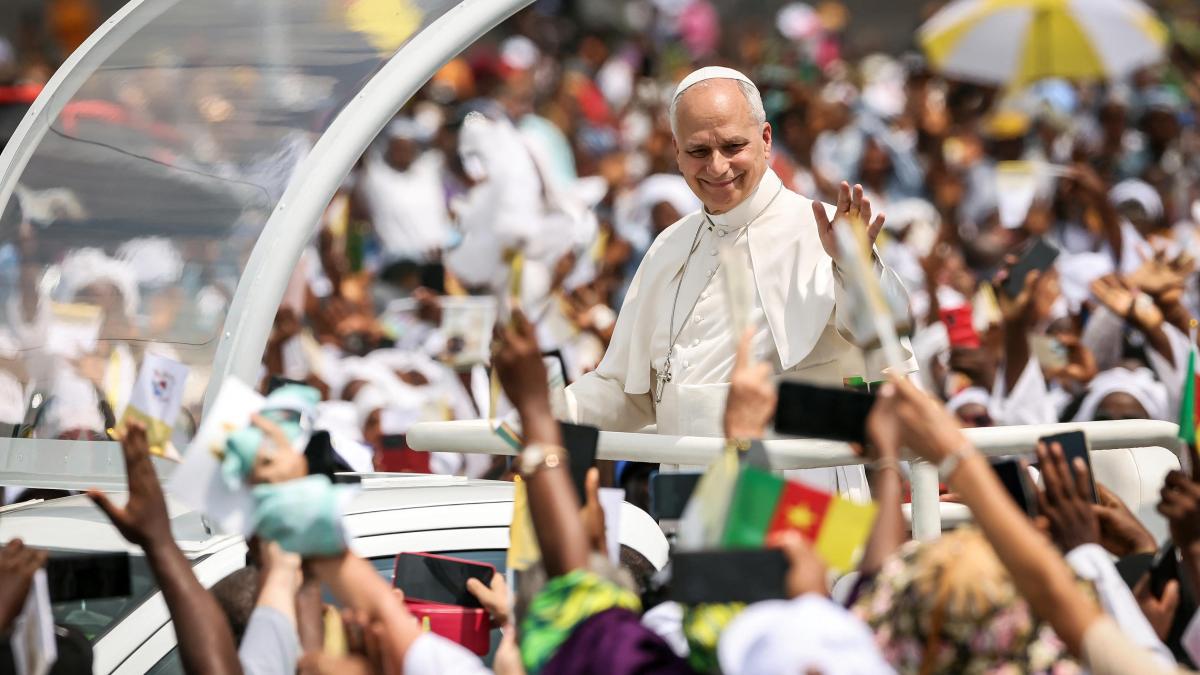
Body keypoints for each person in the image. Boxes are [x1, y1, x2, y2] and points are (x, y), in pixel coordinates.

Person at [560, 66, 914, 487]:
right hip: (690, 490)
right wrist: (542, 414)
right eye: (698, 151)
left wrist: (853, 268)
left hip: (799, 493)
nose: (717, 166)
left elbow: (883, 344)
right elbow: (628, 391)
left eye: (732, 146)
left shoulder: (821, 231)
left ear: (766, 140)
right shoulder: (669, 246)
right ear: (676, 150)